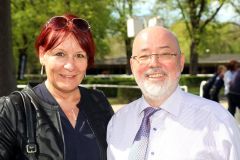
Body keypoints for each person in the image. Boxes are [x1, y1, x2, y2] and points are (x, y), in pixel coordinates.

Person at [107, 26, 240, 159]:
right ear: (132, 65)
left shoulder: (217, 121)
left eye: (165, 54)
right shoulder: (117, 123)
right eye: (144, 56)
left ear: (181, 62)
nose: (154, 63)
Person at [0, 14, 114, 160]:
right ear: (42, 55)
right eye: (60, 54)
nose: (70, 66)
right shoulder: (13, 109)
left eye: (79, 55)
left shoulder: (99, 103)